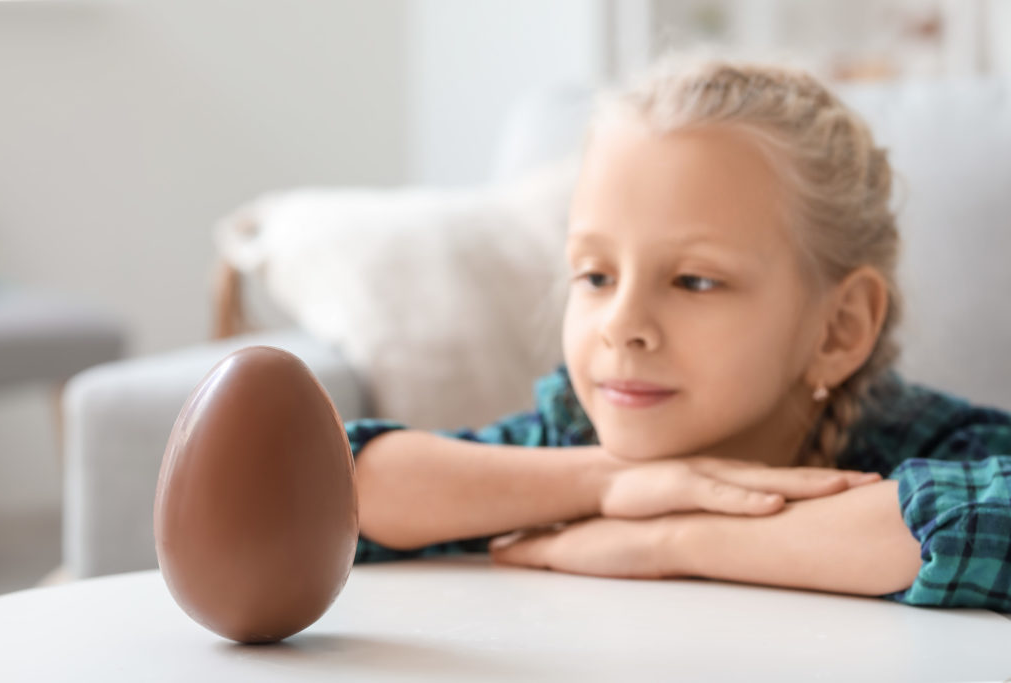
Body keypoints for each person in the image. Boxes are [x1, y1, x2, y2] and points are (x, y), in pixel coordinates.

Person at [343, 53, 1011, 611]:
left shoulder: (931, 442)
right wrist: (604, 484)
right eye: (596, 275)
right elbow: (327, 484)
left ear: (837, 328)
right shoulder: (571, 439)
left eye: (693, 281)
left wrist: (676, 540)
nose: (622, 326)